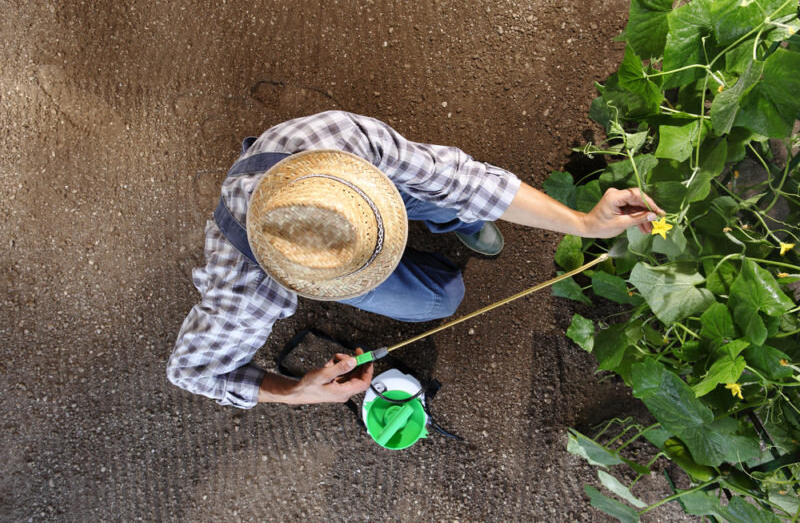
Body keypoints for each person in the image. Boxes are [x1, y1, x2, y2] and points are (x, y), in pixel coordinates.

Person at [167, 110, 663, 409]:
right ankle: (430, 232)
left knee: (446, 193)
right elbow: (192, 372)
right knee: (441, 299)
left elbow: (465, 180)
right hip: (316, 233)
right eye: (370, 254)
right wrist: (297, 390)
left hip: (347, 181)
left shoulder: (339, 140)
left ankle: (441, 217)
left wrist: (583, 223)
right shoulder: (245, 291)